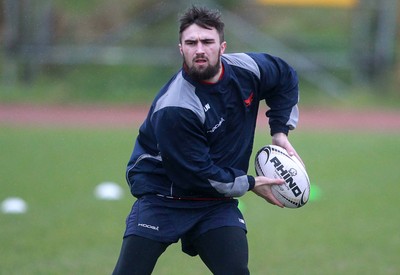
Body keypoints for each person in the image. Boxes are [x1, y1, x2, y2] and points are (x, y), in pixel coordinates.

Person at [112, 6, 303, 275]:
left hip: (214, 204)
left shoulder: (247, 70)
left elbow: (285, 77)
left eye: (207, 42)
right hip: (163, 198)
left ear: (222, 47)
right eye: (191, 43)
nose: (199, 49)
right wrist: (249, 183)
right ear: (181, 48)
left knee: (235, 270)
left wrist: (280, 131)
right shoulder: (176, 107)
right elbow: (196, 174)